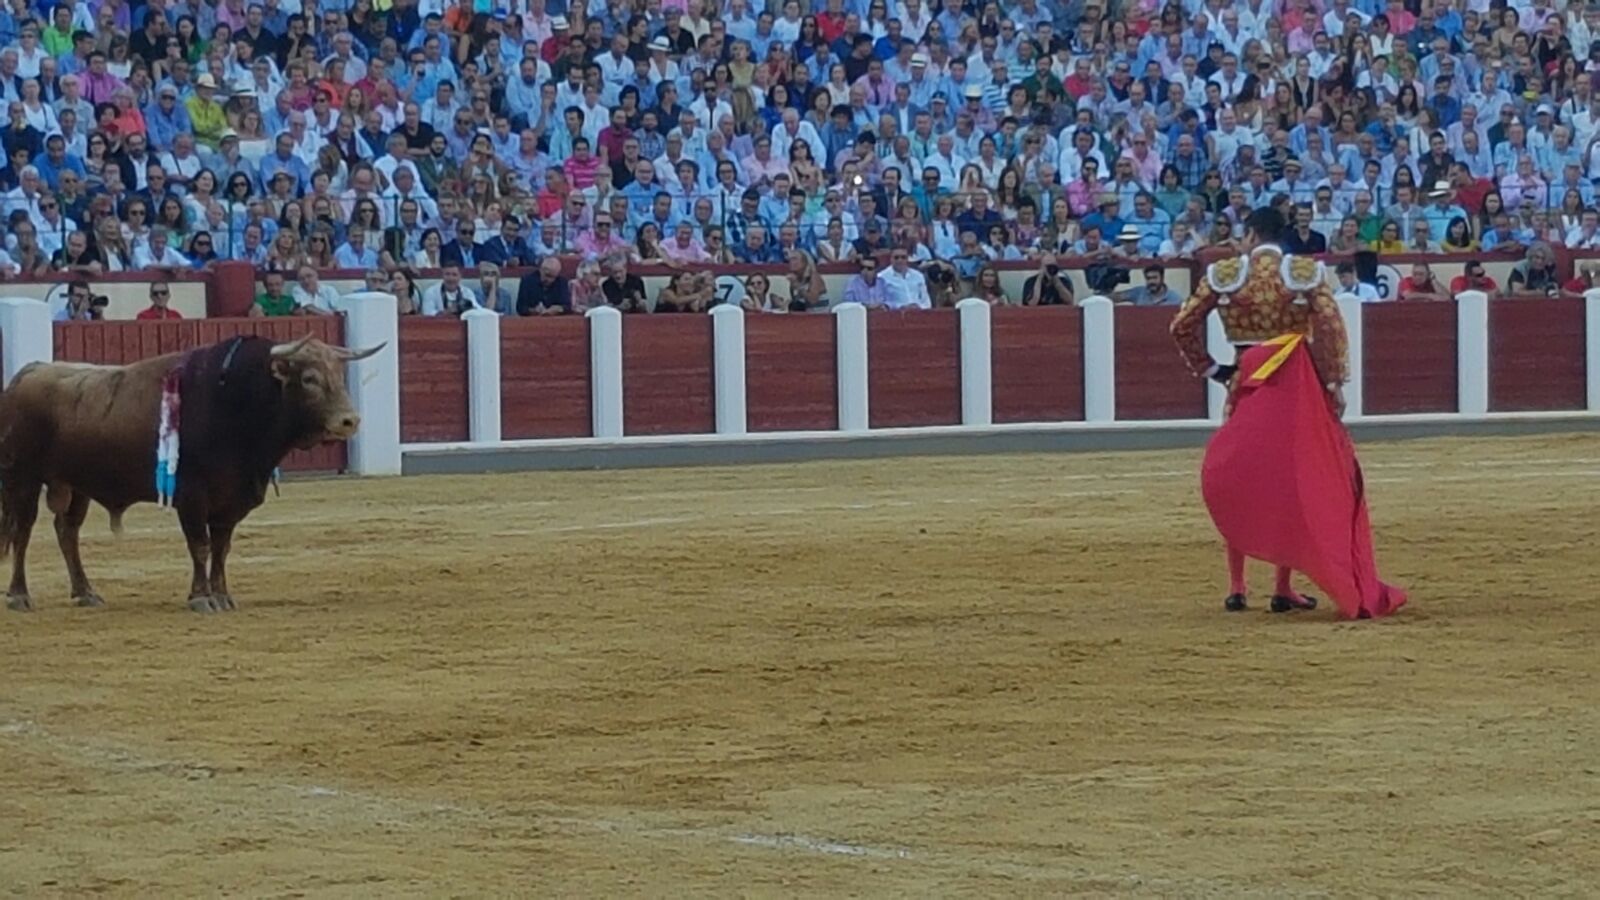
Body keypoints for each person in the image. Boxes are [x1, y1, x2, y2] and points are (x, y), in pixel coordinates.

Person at [1169, 207, 1405, 620]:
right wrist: (1333, 383)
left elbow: (1181, 325)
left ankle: (1237, 587)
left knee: (1241, 481)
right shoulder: (1302, 271)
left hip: (1245, 386)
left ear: (1252, 234)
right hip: (1293, 390)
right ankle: (1281, 588)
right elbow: (1331, 327)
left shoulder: (1226, 274)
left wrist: (1214, 369)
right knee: (1290, 483)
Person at [1116, 266, 1182, 306]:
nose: (1151, 281)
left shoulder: (1175, 299)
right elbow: (1115, 297)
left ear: (1162, 278)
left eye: (1154, 278)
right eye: (1148, 278)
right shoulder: (1139, 293)